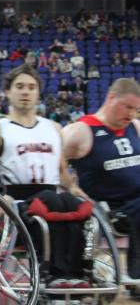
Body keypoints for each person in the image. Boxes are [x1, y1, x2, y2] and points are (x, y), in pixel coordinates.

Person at [0, 64, 90, 288]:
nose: (26, 92)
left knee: (73, 203)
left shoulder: (53, 127)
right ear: (8, 92)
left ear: (38, 93)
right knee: (52, 200)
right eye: (20, 86)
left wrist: (77, 192)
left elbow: (62, 172)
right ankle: (55, 273)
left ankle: (75, 274)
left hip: (51, 196)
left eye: (31, 87)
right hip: (18, 203)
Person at [62, 78, 140, 279]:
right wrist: (70, 186)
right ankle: (136, 274)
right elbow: (53, 160)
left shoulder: (136, 127)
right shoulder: (80, 131)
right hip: (109, 209)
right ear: (111, 97)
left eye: (136, 109)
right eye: (127, 107)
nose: (131, 114)